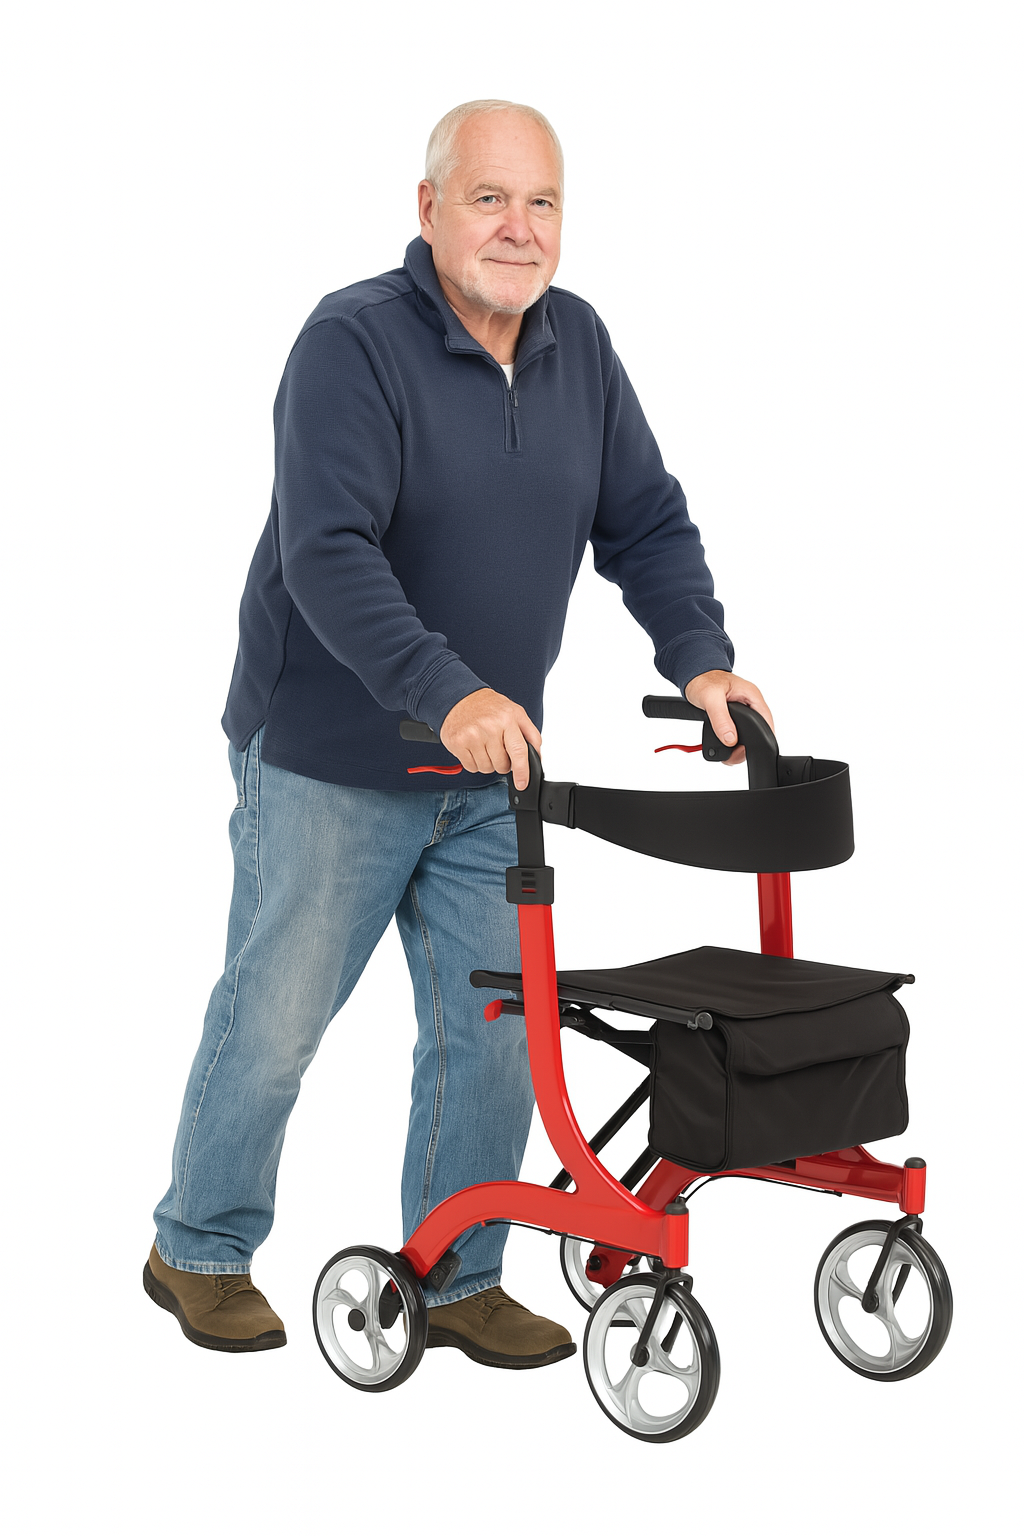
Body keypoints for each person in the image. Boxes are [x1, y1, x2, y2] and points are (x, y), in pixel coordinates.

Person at [145, 99, 772, 1366]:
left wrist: (703, 662)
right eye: (488, 198)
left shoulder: (578, 345)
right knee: (276, 1015)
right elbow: (329, 555)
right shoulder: (352, 343)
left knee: (495, 1029)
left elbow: (642, 522)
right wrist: (449, 688)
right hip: (330, 755)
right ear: (426, 208)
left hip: (495, 770)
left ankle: (456, 1268)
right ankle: (196, 1248)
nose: (517, 228)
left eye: (541, 203)